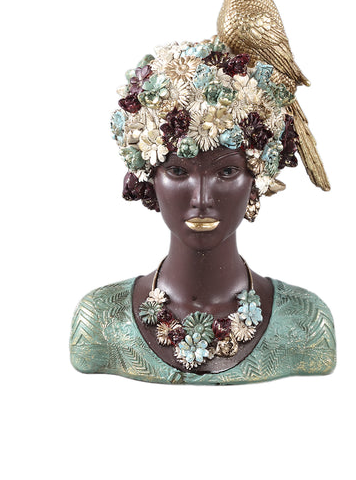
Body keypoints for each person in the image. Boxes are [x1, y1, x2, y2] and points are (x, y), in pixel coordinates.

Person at [69, 38, 336, 384]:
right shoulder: (100, 323)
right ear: (150, 176)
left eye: (227, 171)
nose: (201, 197)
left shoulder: (306, 326)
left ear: (257, 176)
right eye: (178, 171)